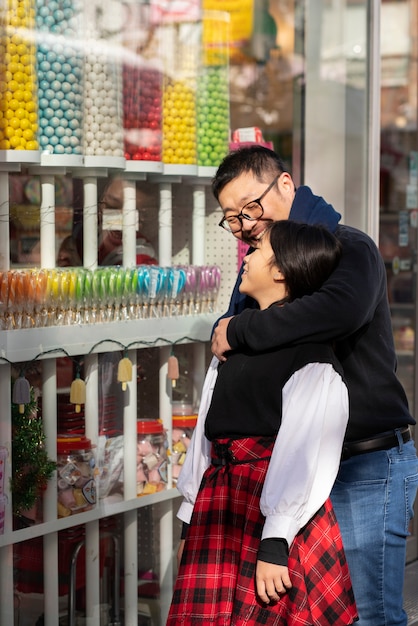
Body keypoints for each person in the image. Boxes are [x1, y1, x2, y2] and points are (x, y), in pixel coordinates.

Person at [210, 145, 418, 626]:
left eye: (251, 208)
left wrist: (239, 331)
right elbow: (226, 337)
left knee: (369, 615)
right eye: (232, 218)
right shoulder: (260, 263)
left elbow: (336, 312)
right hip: (295, 473)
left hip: (363, 463)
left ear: (286, 185)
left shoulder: (350, 247)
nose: (245, 225)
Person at [167, 220, 358, 626]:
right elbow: (205, 439)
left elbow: (308, 454)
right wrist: (189, 524)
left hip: (272, 513)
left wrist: (275, 542)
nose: (245, 256)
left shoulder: (312, 359)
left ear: (281, 270)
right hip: (219, 505)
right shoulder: (233, 344)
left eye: (255, 251)